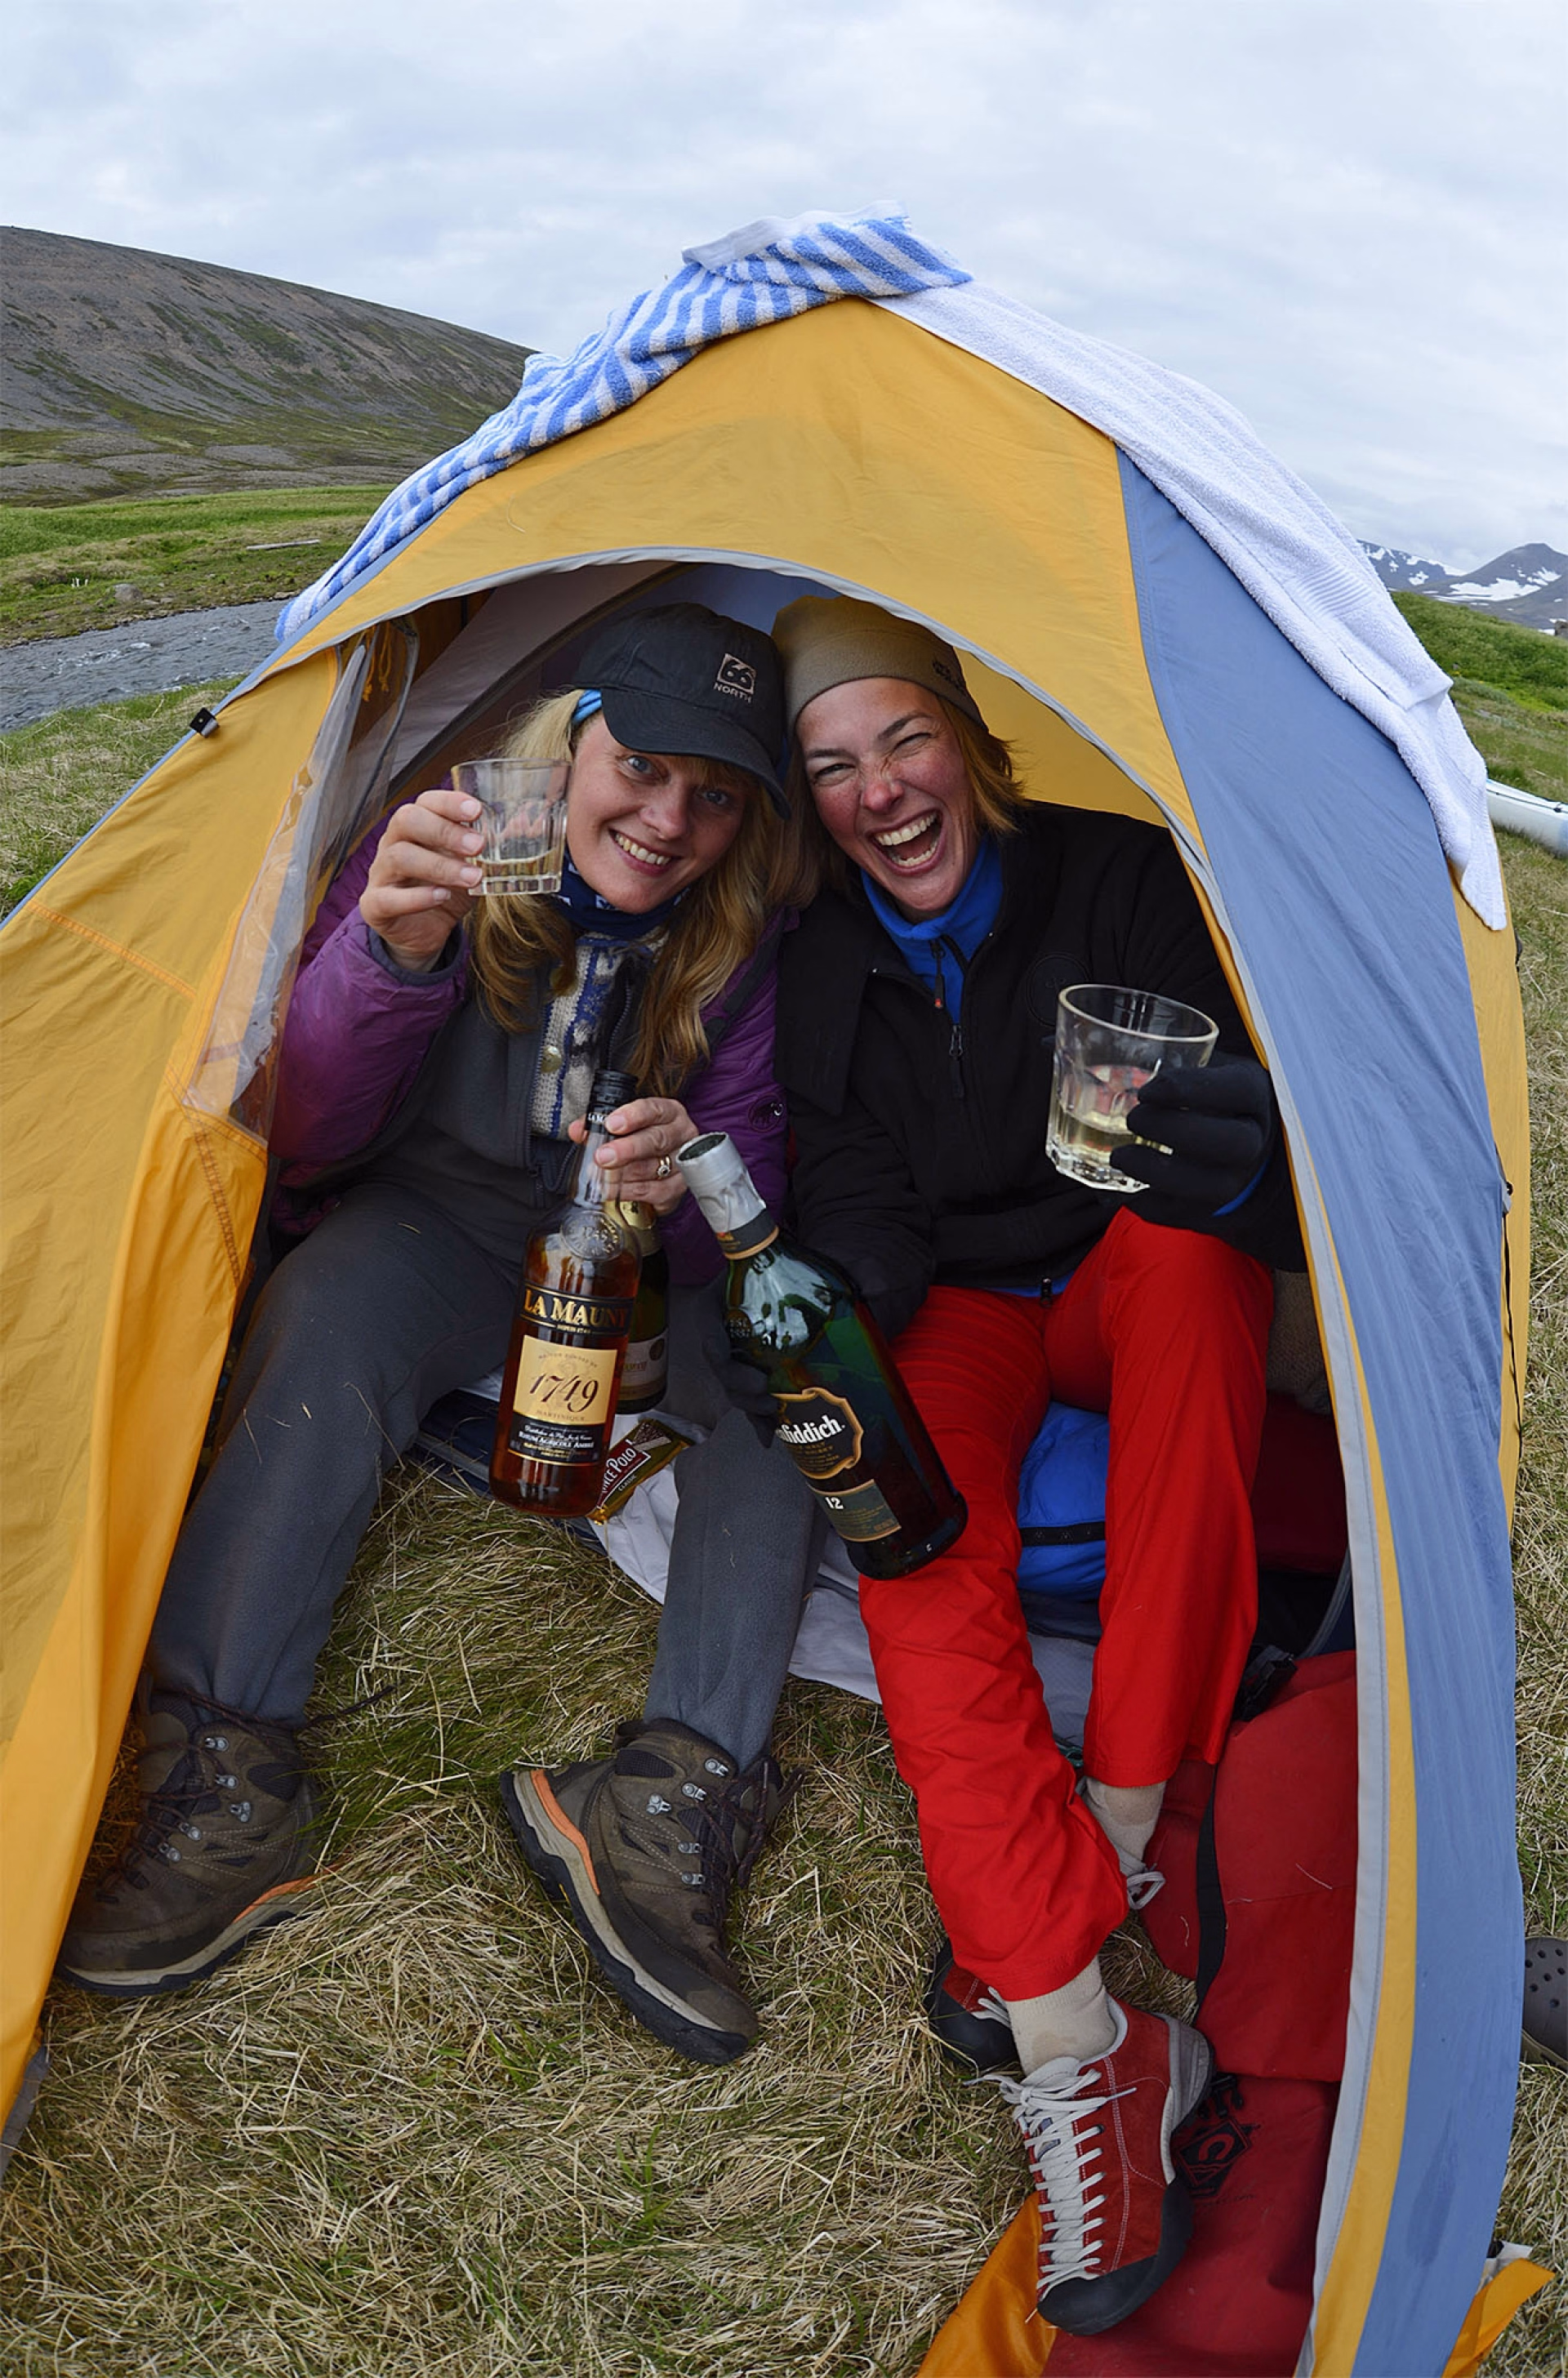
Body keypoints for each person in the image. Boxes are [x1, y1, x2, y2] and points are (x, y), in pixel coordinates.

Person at [60, 603, 822, 2070]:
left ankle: (664, 1806)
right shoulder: (464, 837)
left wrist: (686, 1182)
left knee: (782, 1407)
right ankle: (226, 1774)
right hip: (442, 1220)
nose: (669, 822)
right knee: (330, 1302)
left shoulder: (742, 926)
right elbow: (310, 1138)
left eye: (715, 795)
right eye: (643, 767)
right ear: (573, 736)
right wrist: (392, 956)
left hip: (623, 1265)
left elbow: (755, 1162)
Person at [768, 594, 1305, 2337]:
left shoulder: (1124, 871)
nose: (881, 793)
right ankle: (1086, 2038)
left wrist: (1236, 1174)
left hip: (1125, 1262)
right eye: (834, 767)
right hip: (966, 1302)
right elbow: (852, 1188)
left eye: (904, 739)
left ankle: (1128, 1814)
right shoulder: (817, 951)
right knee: (906, 1523)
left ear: (973, 744)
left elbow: (1271, 1157)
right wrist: (828, 1319)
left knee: (1194, 1265)